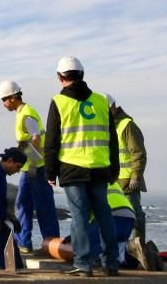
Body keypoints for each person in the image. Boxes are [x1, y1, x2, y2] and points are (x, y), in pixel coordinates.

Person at [44, 56, 120, 277]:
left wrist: (50, 172)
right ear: (82, 75)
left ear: (60, 78)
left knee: (79, 216)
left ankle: (84, 264)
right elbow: (112, 140)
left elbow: (52, 141)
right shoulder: (101, 101)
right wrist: (114, 169)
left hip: (72, 167)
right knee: (104, 214)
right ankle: (112, 263)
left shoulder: (59, 102)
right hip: (100, 167)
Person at [0, 80, 60, 255]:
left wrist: (31, 162)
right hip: (30, 167)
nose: (3, 104)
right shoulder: (22, 112)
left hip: (37, 167)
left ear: (12, 98)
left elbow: (36, 138)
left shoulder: (26, 114)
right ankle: (24, 242)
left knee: (44, 207)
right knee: (23, 204)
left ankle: (51, 244)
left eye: (4, 99)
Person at [105, 94, 148, 242]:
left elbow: (138, 152)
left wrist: (136, 176)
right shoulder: (107, 126)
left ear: (113, 107)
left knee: (135, 214)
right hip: (112, 181)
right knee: (114, 214)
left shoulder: (127, 125)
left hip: (128, 181)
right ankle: (120, 247)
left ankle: (138, 245)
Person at [86, 182, 136, 270]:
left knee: (92, 238)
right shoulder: (113, 182)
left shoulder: (92, 185)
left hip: (112, 216)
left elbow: (87, 216)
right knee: (119, 243)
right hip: (129, 217)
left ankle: (97, 259)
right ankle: (129, 258)